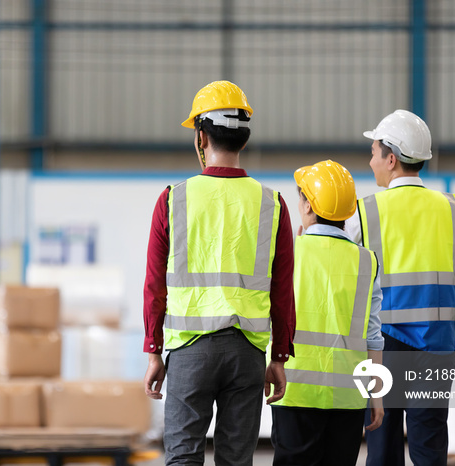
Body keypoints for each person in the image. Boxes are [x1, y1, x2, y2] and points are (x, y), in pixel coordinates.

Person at [142, 80, 295, 466]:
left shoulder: (173, 199)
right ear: (242, 139)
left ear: (201, 137)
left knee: (183, 458)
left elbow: (155, 286)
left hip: (189, 351)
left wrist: (154, 350)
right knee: (236, 461)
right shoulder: (272, 204)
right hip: (246, 352)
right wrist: (278, 355)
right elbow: (282, 291)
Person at [345, 109, 455, 466]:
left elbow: (344, 277)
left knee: (382, 447)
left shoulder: (366, 211)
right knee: (429, 450)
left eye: (374, 151)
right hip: (436, 346)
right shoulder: (453, 209)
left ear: (391, 159)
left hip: (383, 348)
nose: (370, 159)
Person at [270, 160, 384, 466]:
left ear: (308, 205)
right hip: (348, 397)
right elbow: (374, 336)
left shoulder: (288, 253)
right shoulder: (366, 261)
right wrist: (376, 394)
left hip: (294, 392)